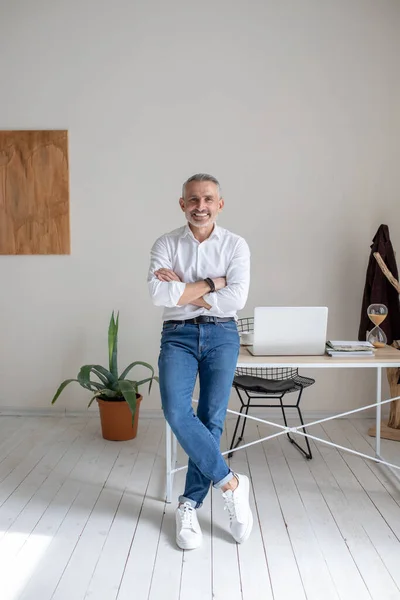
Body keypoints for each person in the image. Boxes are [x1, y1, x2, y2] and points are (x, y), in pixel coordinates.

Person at [147, 173, 252, 550]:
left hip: (223, 334)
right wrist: (210, 284)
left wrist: (185, 290)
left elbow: (236, 300)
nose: (200, 206)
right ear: (182, 204)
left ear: (220, 204)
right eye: (193, 200)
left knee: (210, 419)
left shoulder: (236, 246)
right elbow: (160, 294)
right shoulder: (166, 243)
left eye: (208, 199)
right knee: (177, 411)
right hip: (178, 336)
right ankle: (231, 483)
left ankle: (189, 503)